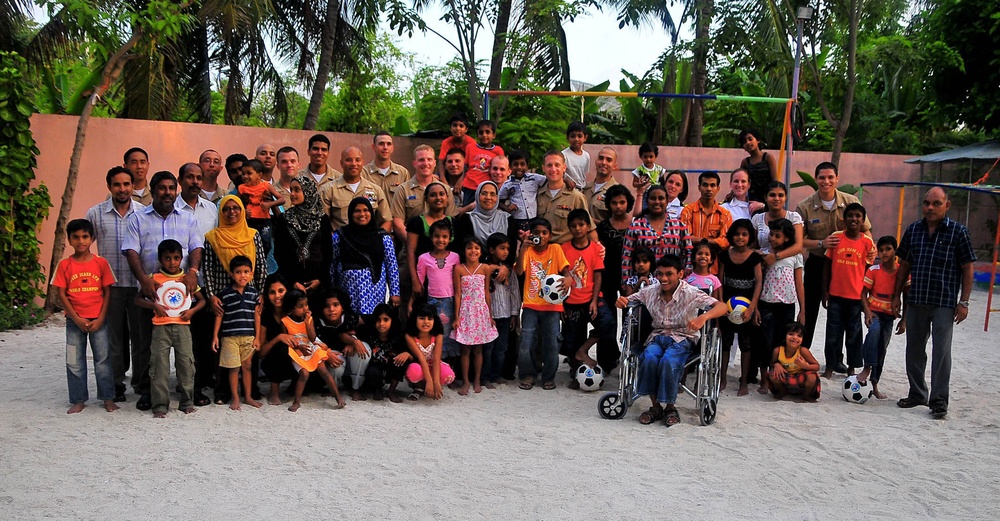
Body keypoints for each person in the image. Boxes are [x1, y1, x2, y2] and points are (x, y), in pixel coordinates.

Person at [123, 170, 203, 411]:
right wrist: (143, 281)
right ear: (153, 189)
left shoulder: (188, 218)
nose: (167, 192)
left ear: (176, 189)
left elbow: (196, 247)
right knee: (147, 345)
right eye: (162, 188)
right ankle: (148, 391)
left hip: (182, 298)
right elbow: (131, 251)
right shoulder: (138, 218)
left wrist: (193, 271)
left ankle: (187, 391)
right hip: (151, 293)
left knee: (186, 348)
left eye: (171, 188)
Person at [893, 187, 976, 419]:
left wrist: (965, 302)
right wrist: (896, 296)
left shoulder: (958, 232)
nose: (930, 207)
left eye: (936, 203)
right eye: (927, 203)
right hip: (917, 298)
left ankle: (939, 400)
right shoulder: (913, 230)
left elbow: (968, 267)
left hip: (944, 302)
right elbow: (904, 266)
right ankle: (917, 393)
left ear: (946, 205)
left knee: (941, 352)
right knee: (914, 350)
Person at [616, 254, 727, 426]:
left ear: (680, 274)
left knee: (668, 361)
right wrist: (622, 301)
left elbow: (722, 306)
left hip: (683, 337)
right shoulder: (650, 291)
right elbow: (628, 300)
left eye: (669, 274)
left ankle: (670, 407)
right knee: (650, 358)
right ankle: (655, 407)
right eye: (660, 274)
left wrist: (703, 318)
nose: (663, 278)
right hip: (657, 336)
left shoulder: (690, 293)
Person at [795, 161, 871, 352]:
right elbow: (798, 241)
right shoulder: (804, 207)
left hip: (845, 267)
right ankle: (802, 352)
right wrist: (821, 243)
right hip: (817, 264)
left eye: (830, 177)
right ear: (816, 179)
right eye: (822, 177)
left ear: (837, 178)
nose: (826, 181)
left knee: (843, 312)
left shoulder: (852, 203)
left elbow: (867, 232)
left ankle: (837, 359)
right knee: (810, 310)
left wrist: (871, 249)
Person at [85, 166, 144, 403]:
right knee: (114, 338)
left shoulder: (142, 212)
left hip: (138, 284)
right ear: (109, 186)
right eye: (117, 184)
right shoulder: (95, 214)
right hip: (110, 288)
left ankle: (141, 382)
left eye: (127, 184)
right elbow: (85, 248)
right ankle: (117, 383)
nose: (123, 189)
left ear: (133, 186)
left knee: (141, 337)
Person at [202, 195, 267, 404]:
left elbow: (261, 266)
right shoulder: (213, 237)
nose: (232, 212)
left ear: (241, 211)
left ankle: (251, 390)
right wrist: (211, 295)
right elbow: (208, 268)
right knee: (223, 346)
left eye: (236, 209)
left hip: (249, 295)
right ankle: (223, 392)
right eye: (227, 209)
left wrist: (261, 293)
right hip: (222, 299)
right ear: (221, 212)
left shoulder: (252, 234)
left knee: (249, 346)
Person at [52, 219, 119, 414]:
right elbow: (61, 294)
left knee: (103, 360)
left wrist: (100, 318)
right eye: (76, 237)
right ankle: (78, 399)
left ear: (92, 238)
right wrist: (76, 318)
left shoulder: (101, 263)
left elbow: (107, 292)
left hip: (99, 320)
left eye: (85, 237)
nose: (81, 241)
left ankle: (107, 398)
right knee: (74, 360)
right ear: (69, 240)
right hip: (74, 322)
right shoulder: (65, 265)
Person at [134, 239, 206, 418]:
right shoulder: (154, 279)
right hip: (160, 328)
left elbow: (202, 300)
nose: (172, 262)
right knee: (159, 366)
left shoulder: (186, 279)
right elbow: (138, 299)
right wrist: (154, 307)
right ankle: (159, 404)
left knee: (186, 364)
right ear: (160, 259)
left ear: (182, 259)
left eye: (176, 258)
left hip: (183, 327)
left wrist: (191, 312)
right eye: (167, 258)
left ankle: (187, 401)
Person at [560, 209, 619, 387]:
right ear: (569, 228)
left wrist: (594, 300)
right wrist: (561, 304)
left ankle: (583, 351)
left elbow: (598, 276)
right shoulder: (564, 249)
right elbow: (560, 279)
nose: (578, 229)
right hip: (571, 302)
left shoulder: (595, 248)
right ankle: (576, 371)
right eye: (573, 226)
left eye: (581, 225)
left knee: (608, 323)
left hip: (591, 298)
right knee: (572, 338)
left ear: (588, 226)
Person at [515, 217, 571, 391]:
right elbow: (519, 271)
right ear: (531, 234)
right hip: (531, 304)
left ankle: (548, 376)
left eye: (544, 233)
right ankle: (528, 373)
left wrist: (569, 278)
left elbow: (565, 270)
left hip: (552, 306)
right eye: (536, 233)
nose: (541, 236)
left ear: (550, 235)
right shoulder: (528, 250)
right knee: (526, 341)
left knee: (552, 341)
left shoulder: (556, 249)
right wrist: (523, 248)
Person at [821, 203, 876, 379]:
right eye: (850, 215)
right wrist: (825, 291)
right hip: (836, 295)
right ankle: (830, 367)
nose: (854, 219)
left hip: (856, 297)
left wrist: (867, 297)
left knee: (854, 334)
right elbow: (827, 266)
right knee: (832, 334)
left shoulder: (867, 242)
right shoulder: (836, 238)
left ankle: (852, 368)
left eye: (858, 216)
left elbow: (869, 272)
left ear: (863, 220)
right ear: (844, 219)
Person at [756, 218, 805, 395]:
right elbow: (758, 281)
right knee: (766, 342)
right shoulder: (763, 255)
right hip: (767, 304)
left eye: (778, 235)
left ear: (786, 238)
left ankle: (780, 377)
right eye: (771, 234)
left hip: (787, 305)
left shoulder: (795, 257)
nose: (773, 238)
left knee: (782, 342)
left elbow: (799, 284)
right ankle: (763, 379)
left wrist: (803, 310)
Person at [331, 197, 400, 316]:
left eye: (366, 210)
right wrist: (332, 292)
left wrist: (395, 293)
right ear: (351, 213)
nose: (362, 214)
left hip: (374, 293)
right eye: (357, 211)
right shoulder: (340, 236)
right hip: (347, 292)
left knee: (373, 324)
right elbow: (332, 264)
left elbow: (392, 267)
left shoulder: (382, 237)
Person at [717, 219, 763, 396]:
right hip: (728, 304)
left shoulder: (755, 257)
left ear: (750, 236)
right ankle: (722, 378)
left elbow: (759, 282)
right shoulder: (724, 255)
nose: (740, 237)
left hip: (746, 307)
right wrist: (721, 304)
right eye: (737, 234)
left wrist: (753, 306)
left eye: (744, 234)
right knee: (725, 344)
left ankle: (743, 381)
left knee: (746, 344)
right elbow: (720, 281)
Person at [859, 236, 908, 399]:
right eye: (881, 250)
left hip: (889, 316)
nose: (884, 252)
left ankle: (875, 384)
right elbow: (863, 293)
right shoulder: (873, 270)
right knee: (873, 332)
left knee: (882, 348)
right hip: (874, 311)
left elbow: (907, 296)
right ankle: (867, 367)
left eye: (888, 249)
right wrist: (867, 312)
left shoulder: (902, 272)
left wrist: (904, 320)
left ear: (895, 251)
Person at [211, 255, 262, 411]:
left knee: (247, 366)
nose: (243, 275)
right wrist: (215, 336)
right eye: (239, 272)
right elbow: (219, 315)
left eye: (246, 271)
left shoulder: (254, 294)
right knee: (233, 368)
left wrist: (257, 338)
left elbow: (257, 316)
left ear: (251, 274)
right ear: (232, 274)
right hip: (229, 337)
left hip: (249, 336)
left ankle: (248, 396)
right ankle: (235, 397)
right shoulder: (225, 294)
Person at [281, 289, 345, 411]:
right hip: (297, 351)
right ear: (291, 308)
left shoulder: (310, 319)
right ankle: (296, 401)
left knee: (324, 371)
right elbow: (286, 341)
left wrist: (308, 323)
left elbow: (312, 337)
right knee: (304, 374)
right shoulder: (285, 322)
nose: (305, 309)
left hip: (311, 348)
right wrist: (298, 347)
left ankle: (338, 397)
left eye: (306, 305)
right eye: (300, 306)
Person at [272, 175, 332, 299]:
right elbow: (280, 252)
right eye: (291, 190)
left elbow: (328, 251)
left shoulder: (322, 219)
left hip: (318, 280)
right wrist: (293, 281)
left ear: (308, 191)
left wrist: (320, 279)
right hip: (292, 280)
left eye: (297, 190)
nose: (292, 194)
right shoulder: (285, 218)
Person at [451, 236, 498, 395]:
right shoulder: (458, 269)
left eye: (476, 248)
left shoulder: (485, 268)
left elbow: (487, 293)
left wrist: (490, 315)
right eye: (469, 248)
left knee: (478, 350)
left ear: (481, 251)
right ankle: (465, 381)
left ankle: (477, 380)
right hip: (465, 311)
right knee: (465, 350)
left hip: (480, 312)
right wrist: (456, 317)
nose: (473, 251)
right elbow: (457, 294)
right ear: (464, 251)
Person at [621, 184, 693, 286]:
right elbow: (627, 257)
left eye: (661, 198)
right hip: (643, 285)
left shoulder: (679, 226)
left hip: (672, 284)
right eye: (653, 198)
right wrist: (627, 283)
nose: (657, 202)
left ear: (667, 201)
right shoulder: (636, 226)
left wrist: (684, 277)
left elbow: (689, 252)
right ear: (647, 201)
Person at [415, 220, 461, 361]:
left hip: (450, 301)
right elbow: (419, 282)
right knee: (433, 333)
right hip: (431, 301)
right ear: (431, 237)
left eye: (444, 237)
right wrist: (412, 302)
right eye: (437, 236)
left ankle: (447, 368)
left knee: (448, 334)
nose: (440, 240)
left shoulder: (455, 257)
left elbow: (458, 280)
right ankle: (432, 364)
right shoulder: (424, 258)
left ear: (449, 238)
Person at [391, 145, 457, 242]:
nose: (426, 163)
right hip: (411, 248)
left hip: (441, 248)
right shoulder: (402, 190)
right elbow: (398, 224)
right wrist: (414, 244)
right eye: (421, 160)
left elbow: (451, 219)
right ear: (414, 163)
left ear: (434, 163)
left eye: (429, 159)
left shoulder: (445, 190)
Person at [314, 288, 370, 401]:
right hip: (332, 354)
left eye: (336, 305)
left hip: (350, 358)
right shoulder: (317, 323)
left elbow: (367, 331)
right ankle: (332, 387)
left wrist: (354, 341)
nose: (331, 309)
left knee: (364, 351)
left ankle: (356, 387)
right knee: (335, 366)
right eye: (327, 306)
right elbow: (314, 342)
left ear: (343, 306)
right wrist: (327, 354)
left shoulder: (351, 317)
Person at [320, 146, 391, 231]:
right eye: (349, 160)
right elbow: (323, 224)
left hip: (369, 242)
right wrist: (335, 241)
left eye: (357, 160)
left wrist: (377, 239)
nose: (354, 164)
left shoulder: (375, 190)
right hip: (340, 242)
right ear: (341, 163)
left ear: (363, 163)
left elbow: (387, 221)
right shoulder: (328, 190)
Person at [406, 181, 456, 300]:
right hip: (424, 281)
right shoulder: (416, 222)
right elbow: (411, 252)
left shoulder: (454, 222)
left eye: (441, 194)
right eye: (433, 195)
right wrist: (415, 281)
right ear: (426, 199)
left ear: (447, 198)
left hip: (447, 285)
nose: (438, 198)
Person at [485, 232, 520, 383]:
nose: (506, 251)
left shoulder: (510, 272)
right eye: (502, 248)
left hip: (505, 316)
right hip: (488, 317)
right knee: (487, 350)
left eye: (507, 248)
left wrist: (514, 314)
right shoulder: (483, 269)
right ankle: (485, 377)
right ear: (492, 250)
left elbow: (514, 293)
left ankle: (496, 376)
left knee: (501, 349)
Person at [257, 274, 297, 405]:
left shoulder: (295, 311)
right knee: (281, 347)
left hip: (297, 358)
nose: (277, 296)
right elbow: (261, 353)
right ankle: (274, 392)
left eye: (281, 291)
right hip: (273, 361)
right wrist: (279, 338)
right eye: (272, 292)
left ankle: (294, 385)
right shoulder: (266, 315)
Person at [536, 150, 590, 245]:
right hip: (541, 250)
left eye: (557, 165)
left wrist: (597, 247)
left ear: (564, 167)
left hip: (565, 251)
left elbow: (589, 227)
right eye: (549, 165)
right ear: (543, 168)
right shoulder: (537, 194)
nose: (553, 169)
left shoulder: (576, 197)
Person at [404, 304, 456, 400]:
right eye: (422, 318)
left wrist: (436, 382)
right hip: (419, 365)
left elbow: (436, 359)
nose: (426, 322)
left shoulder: (437, 335)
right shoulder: (409, 336)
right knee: (413, 370)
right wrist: (429, 381)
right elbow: (421, 358)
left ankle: (433, 387)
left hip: (433, 365)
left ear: (434, 321)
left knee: (449, 375)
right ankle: (419, 387)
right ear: (415, 319)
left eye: (430, 319)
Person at [679, 171, 732, 266]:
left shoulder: (725, 214)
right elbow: (685, 239)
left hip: (715, 268)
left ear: (718, 188)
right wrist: (713, 241)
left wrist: (701, 240)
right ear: (699, 187)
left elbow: (725, 242)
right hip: (691, 266)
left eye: (712, 185)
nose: (708, 189)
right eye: (705, 185)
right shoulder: (688, 211)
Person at [595, 184, 634, 312]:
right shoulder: (603, 226)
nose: (618, 206)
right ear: (608, 204)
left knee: (628, 312)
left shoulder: (635, 224)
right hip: (608, 276)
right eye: (614, 203)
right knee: (609, 315)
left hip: (629, 275)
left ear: (628, 202)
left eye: (622, 202)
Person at [361, 303, 407, 402]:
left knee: (401, 362)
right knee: (372, 370)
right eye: (378, 320)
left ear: (392, 321)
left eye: (386, 320)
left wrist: (407, 354)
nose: (381, 323)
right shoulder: (368, 333)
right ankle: (377, 390)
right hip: (373, 370)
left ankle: (391, 391)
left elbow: (410, 355)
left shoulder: (398, 337)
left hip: (391, 368)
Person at [752, 181, 805, 264]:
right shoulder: (757, 219)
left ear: (786, 198)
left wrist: (775, 256)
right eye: (772, 195)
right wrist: (757, 253)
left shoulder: (793, 217)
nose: (776, 198)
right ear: (765, 197)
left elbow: (798, 246)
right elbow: (752, 246)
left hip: (788, 266)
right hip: (763, 264)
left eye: (780, 195)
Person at [455, 119, 504, 206]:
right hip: (470, 185)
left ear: (494, 135)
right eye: (481, 132)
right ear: (477, 134)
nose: (484, 135)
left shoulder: (498, 150)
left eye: (487, 132)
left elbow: (501, 169)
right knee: (468, 210)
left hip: (487, 187)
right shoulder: (470, 147)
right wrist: (460, 181)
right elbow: (466, 167)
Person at [767, 322, 821, 401]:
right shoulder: (778, 350)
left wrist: (805, 366)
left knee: (812, 376)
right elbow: (771, 363)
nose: (795, 337)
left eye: (799, 336)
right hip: (786, 377)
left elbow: (817, 366)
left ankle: (806, 395)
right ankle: (782, 391)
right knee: (772, 373)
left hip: (800, 378)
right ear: (784, 336)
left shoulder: (803, 351)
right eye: (791, 334)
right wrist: (776, 364)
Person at [498, 149, 547, 233]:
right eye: (515, 164)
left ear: (527, 166)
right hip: (517, 220)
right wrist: (507, 208)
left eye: (522, 164)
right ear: (510, 166)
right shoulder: (508, 184)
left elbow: (550, 179)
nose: (519, 167)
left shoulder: (534, 178)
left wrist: (566, 180)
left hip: (534, 219)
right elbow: (499, 201)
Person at [362, 131, 410, 200]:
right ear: (373, 147)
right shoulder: (363, 174)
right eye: (381, 144)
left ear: (392, 148)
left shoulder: (403, 173)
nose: (385, 147)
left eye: (388, 144)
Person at [738, 129, 778, 203]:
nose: (748, 143)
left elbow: (775, 180)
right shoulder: (745, 162)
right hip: (752, 199)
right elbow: (740, 181)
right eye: (744, 141)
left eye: (750, 139)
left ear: (758, 140)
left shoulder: (768, 157)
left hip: (768, 198)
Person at [585, 147, 620, 224]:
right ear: (596, 162)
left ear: (614, 166)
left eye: (609, 160)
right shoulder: (585, 188)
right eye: (601, 158)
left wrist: (589, 221)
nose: (604, 162)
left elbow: (618, 223)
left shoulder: (617, 191)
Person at [439, 113, 476, 183]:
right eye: (455, 125)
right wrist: (443, 179)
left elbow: (472, 165)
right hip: (449, 174)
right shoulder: (446, 142)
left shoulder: (471, 143)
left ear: (466, 129)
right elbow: (441, 162)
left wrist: (461, 180)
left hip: (466, 173)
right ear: (450, 128)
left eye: (461, 126)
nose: (457, 128)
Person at [562, 121, 591, 190]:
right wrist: (566, 180)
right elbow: (558, 175)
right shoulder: (563, 155)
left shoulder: (586, 156)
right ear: (567, 137)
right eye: (573, 136)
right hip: (568, 189)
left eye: (579, 136)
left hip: (582, 190)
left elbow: (584, 174)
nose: (576, 139)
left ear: (585, 138)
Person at [273, 146, 300, 211]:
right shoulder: (272, 191)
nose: (289, 165)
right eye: (284, 162)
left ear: (298, 165)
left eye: (293, 161)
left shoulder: (308, 190)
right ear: (278, 166)